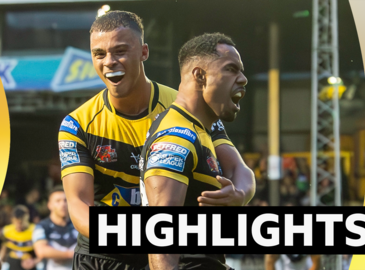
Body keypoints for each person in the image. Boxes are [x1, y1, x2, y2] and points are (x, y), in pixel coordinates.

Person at [59, 11, 254, 270]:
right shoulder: (77, 124)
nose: (109, 62)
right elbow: (79, 205)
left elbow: (239, 169)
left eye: (120, 51)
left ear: (144, 52)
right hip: (105, 256)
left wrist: (240, 195)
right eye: (99, 54)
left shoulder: (184, 108)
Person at [140, 32, 247, 270]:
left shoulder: (204, 128)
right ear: (200, 75)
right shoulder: (177, 137)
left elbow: (242, 170)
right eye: (231, 69)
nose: (243, 79)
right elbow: (160, 236)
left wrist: (239, 195)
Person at [33, 186, 78, 270]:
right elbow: (41, 251)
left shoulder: (78, 224)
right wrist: (71, 254)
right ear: (49, 205)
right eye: (58, 201)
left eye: (65, 200)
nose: (63, 204)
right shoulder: (42, 226)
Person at [1, 205, 40, 270]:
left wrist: (34, 262)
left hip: (29, 264)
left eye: (21, 222)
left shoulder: (35, 230)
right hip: (12, 264)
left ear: (27, 218)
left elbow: (41, 251)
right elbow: (3, 248)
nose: (18, 225)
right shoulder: (6, 230)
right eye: (15, 222)